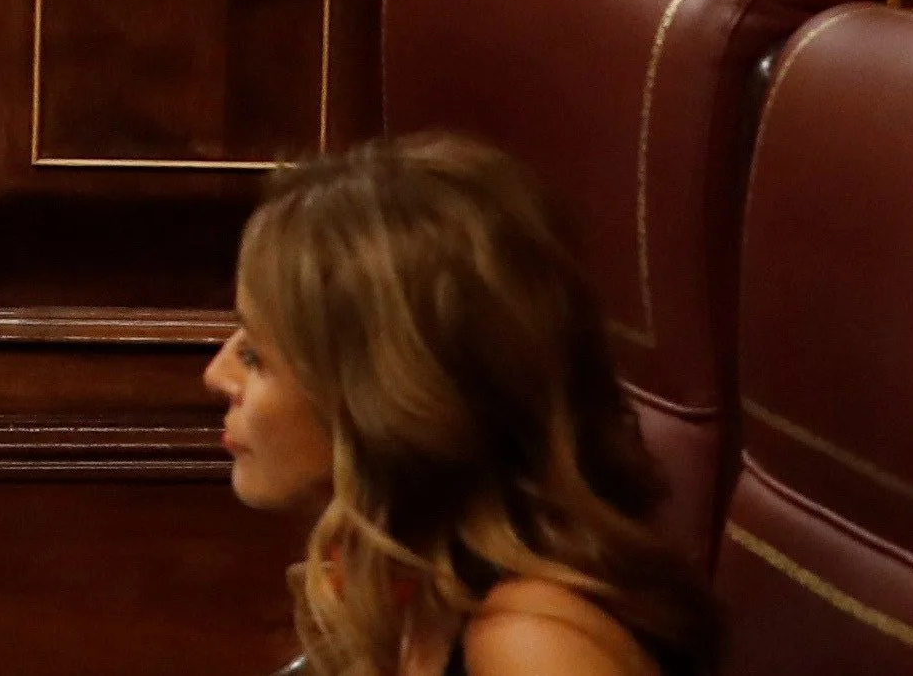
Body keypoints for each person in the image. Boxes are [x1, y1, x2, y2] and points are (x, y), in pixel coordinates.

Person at [209, 135, 716, 676]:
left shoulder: (533, 646)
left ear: (386, 396)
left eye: (257, 355)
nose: (216, 374)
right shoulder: (406, 585)